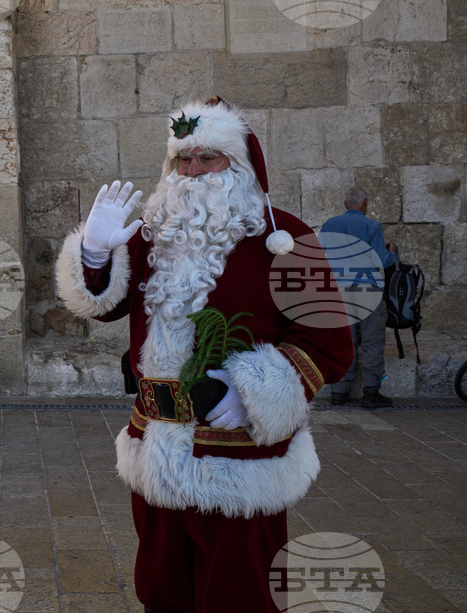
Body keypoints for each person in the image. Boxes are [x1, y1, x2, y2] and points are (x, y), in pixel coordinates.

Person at [55, 97, 352, 611]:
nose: (191, 172)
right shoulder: (152, 233)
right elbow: (103, 306)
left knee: (241, 595)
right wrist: (95, 252)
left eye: (207, 158)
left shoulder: (284, 237)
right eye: (182, 159)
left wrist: (255, 390)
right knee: (162, 590)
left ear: (238, 164)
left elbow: (328, 342)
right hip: (155, 446)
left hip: (240, 457)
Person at [320, 187, 398, 408]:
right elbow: (381, 261)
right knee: (372, 341)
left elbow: (319, 255)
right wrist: (391, 252)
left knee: (344, 341)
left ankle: (339, 391)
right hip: (368, 291)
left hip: (340, 292)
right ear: (365, 203)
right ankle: (371, 393)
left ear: (346, 204)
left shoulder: (330, 225)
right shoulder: (372, 226)